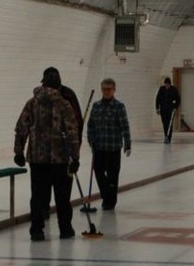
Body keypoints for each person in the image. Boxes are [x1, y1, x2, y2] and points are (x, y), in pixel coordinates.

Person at [14, 68, 80, 241]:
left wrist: (19, 152)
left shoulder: (32, 103)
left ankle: (37, 230)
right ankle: (65, 229)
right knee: (62, 196)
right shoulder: (64, 104)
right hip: (60, 159)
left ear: (42, 83)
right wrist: (75, 157)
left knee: (38, 196)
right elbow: (72, 133)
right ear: (59, 83)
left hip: (37, 159)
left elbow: (22, 128)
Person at [87, 78, 131, 211]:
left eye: (109, 89)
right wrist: (91, 140)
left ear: (114, 90)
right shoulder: (96, 106)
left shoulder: (119, 106)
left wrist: (127, 143)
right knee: (98, 171)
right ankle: (106, 194)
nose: (106, 92)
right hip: (99, 146)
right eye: (104, 89)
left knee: (112, 175)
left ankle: (110, 202)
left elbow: (125, 126)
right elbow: (91, 125)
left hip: (113, 147)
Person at [155, 77, 180, 144]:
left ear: (170, 84)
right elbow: (157, 99)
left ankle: (168, 138)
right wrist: (157, 108)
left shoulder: (174, 89)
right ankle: (166, 136)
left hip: (171, 110)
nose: (166, 86)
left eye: (168, 84)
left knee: (169, 124)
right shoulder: (161, 89)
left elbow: (178, 99)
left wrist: (175, 107)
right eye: (166, 84)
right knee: (164, 124)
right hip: (163, 110)